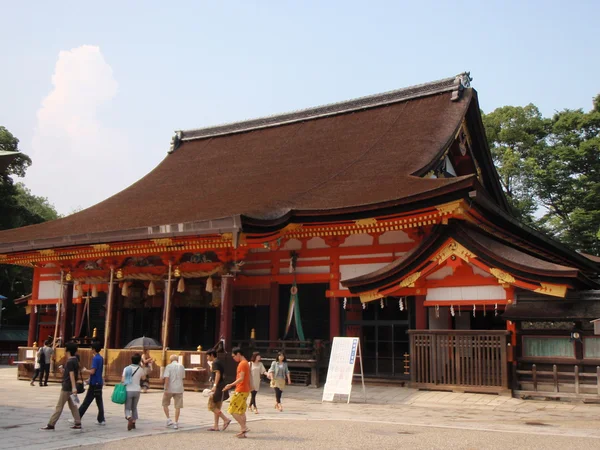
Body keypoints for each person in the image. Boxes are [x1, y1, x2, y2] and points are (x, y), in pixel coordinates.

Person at [40, 341, 82, 430]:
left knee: (59, 406)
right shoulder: (75, 360)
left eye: (65, 348)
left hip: (67, 387)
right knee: (73, 406)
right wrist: (63, 371)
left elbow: (71, 374)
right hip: (71, 387)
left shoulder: (70, 361)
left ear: (68, 350)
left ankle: (51, 424)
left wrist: (74, 387)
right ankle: (78, 422)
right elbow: (72, 373)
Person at [223, 347, 251, 438]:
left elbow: (241, 378)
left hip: (241, 389)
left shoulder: (242, 364)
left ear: (238, 354)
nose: (233, 358)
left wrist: (230, 384)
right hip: (245, 389)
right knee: (241, 411)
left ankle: (244, 427)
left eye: (234, 356)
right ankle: (243, 432)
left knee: (232, 410)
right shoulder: (246, 363)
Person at [78, 341, 106, 425]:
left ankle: (77, 416)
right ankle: (101, 419)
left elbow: (93, 371)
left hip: (94, 383)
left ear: (93, 349)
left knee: (86, 401)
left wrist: (85, 370)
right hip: (99, 382)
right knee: (99, 401)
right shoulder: (100, 358)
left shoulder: (95, 358)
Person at [206, 349, 231, 432]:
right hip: (222, 385)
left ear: (212, 355)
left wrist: (214, 385)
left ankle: (225, 419)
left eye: (208, 356)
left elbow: (218, 374)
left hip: (218, 386)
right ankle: (216, 426)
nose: (207, 357)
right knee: (217, 406)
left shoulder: (215, 363)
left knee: (211, 405)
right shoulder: (217, 362)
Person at [122, 353, 146, 431]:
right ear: (139, 361)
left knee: (127, 408)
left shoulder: (126, 368)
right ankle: (133, 423)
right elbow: (143, 378)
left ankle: (129, 418)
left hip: (128, 389)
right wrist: (143, 367)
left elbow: (122, 380)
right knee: (134, 407)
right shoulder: (140, 369)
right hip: (137, 390)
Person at [162, 354, 185, 429]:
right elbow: (183, 377)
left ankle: (168, 419)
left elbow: (166, 378)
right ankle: (176, 422)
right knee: (177, 406)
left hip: (170, 388)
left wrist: (165, 388)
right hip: (179, 388)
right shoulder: (181, 366)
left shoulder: (168, 366)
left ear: (170, 360)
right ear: (177, 360)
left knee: (165, 403)